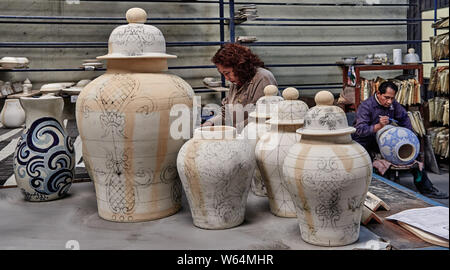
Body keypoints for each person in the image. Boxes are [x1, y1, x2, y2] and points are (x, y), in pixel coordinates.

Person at [352, 81, 448, 199]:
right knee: (365, 161)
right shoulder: (366, 106)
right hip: (366, 140)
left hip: (386, 139)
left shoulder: (393, 105)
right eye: (386, 98)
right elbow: (359, 130)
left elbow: (404, 119)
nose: (389, 102)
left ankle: (427, 188)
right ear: (378, 93)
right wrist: (378, 126)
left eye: (392, 98)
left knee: (414, 155)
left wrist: (408, 137)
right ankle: (377, 192)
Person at [201, 43, 278, 131]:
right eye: (223, 74)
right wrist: (210, 123)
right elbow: (226, 113)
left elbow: (262, 117)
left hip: (258, 134)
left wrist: (232, 130)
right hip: (238, 133)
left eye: (227, 73)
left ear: (239, 67)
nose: (226, 78)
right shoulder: (236, 81)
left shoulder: (263, 78)